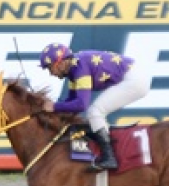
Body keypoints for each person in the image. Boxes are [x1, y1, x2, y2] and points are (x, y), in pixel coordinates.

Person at [39, 43, 150, 171]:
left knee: (95, 112)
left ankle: (110, 158)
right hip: (133, 76)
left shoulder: (80, 68)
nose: (51, 73)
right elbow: (71, 101)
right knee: (95, 112)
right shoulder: (73, 69)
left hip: (134, 80)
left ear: (60, 63)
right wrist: (51, 111)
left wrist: (54, 107)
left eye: (50, 68)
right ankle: (105, 148)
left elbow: (81, 104)